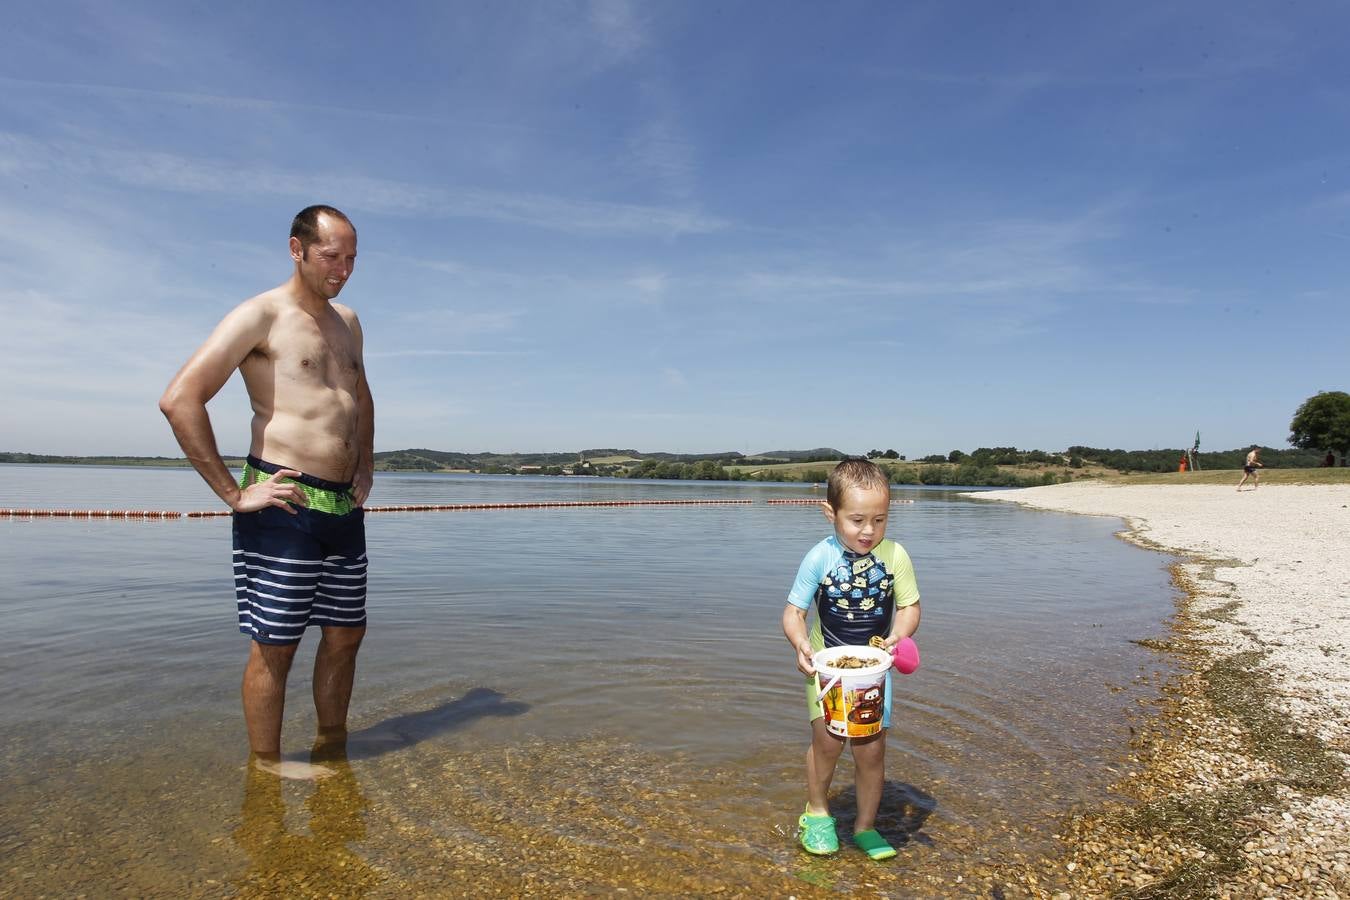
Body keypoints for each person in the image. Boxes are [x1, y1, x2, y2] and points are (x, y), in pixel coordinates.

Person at [159, 205, 374, 779]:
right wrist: (233, 493)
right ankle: (267, 770)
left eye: (352, 258)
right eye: (333, 256)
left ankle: (335, 751)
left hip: (341, 506)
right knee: (276, 646)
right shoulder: (260, 315)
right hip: (284, 502)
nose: (344, 269)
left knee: (346, 636)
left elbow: (362, 394)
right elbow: (180, 399)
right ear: (296, 249)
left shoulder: (348, 321)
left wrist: (366, 465)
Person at [781, 458, 921, 860]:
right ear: (831, 513)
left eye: (879, 520)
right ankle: (817, 813)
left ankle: (864, 826)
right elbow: (794, 612)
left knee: (872, 748)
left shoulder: (895, 557)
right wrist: (800, 645)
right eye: (857, 519)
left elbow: (910, 606)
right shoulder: (819, 557)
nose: (868, 531)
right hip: (826, 663)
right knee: (827, 741)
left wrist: (899, 634)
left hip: (874, 669)